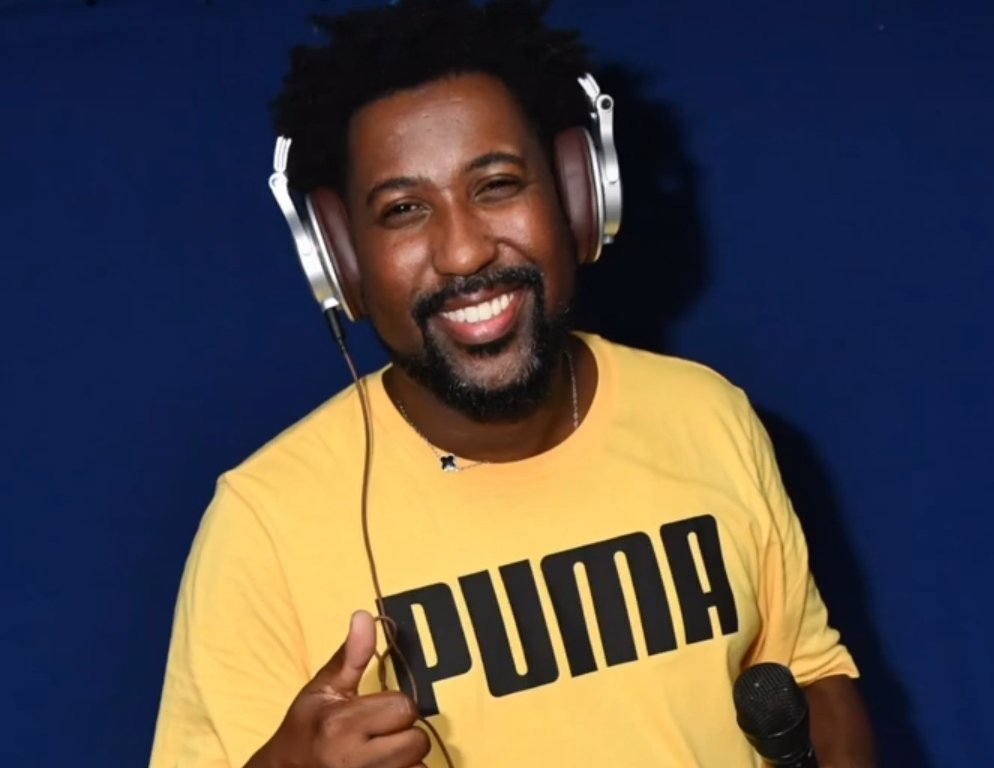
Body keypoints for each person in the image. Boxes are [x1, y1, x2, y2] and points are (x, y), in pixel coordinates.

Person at [149, 1, 876, 766]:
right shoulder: (264, 523)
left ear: (577, 196)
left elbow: (811, 677)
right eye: (403, 209)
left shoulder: (705, 414)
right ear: (340, 260)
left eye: (495, 185)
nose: (463, 252)